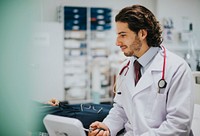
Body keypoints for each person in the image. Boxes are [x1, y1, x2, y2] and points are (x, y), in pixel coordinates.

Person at [88, 5, 194, 136]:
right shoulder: (125, 68)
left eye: (123, 35)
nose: (117, 42)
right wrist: (108, 126)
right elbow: (121, 109)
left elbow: (178, 125)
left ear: (142, 34)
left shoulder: (177, 68)